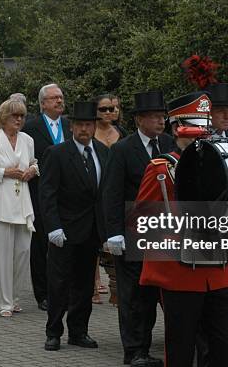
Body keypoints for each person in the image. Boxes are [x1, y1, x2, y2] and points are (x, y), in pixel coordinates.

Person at [138, 91, 228, 367]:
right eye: (194, 131)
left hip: (218, 271)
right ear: (178, 129)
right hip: (180, 271)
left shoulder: (223, 165)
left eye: (203, 130)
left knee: (222, 347)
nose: (200, 137)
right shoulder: (160, 168)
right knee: (181, 348)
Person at [102, 90, 174, 367]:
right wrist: (114, 232)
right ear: (140, 120)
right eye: (155, 117)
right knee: (132, 296)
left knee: (154, 293)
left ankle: (147, 347)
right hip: (132, 233)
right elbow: (111, 193)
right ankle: (133, 351)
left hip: (163, 233)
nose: (161, 121)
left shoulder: (168, 145)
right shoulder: (123, 149)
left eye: (162, 116)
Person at [40, 101, 109, 351]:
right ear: (71, 127)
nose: (84, 129)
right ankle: (54, 331)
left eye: (88, 125)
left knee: (83, 285)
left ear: (94, 126)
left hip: (91, 232)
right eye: (80, 125)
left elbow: (105, 194)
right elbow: (47, 193)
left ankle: (79, 331)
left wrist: (108, 230)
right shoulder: (57, 153)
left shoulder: (102, 151)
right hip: (65, 230)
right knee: (59, 283)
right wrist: (53, 226)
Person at [0, 99, 38, 317]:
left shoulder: (28, 139)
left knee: (23, 252)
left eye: (22, 116)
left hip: (23, 202)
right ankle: (4, 303)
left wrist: (32, 170)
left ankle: (15, 298)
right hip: (2, 199)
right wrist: (4, 172)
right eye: (15, 116)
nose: (19, 120)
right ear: (4, 117)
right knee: (3, 255)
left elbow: (34, 162)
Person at [23, 84, 71, 311]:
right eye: (54, 98)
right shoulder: (31, 128)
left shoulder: (69, 126)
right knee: (42, 245)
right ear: (43, 103)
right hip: (41, 193)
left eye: (61, 97)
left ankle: (66, 290)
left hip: (69, 194)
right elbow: (27, 160)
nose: (59, 101)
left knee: (68, 245)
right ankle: (42, 293)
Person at [92, 93, 126, 304]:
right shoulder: (89, 132)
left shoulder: (121, 133)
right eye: (104, 109)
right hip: (94, 189)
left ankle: (115, 285)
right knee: (93, 238)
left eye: (113, 108)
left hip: (115, 191)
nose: (109, 112)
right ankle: (93, 284)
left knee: (112, 236)